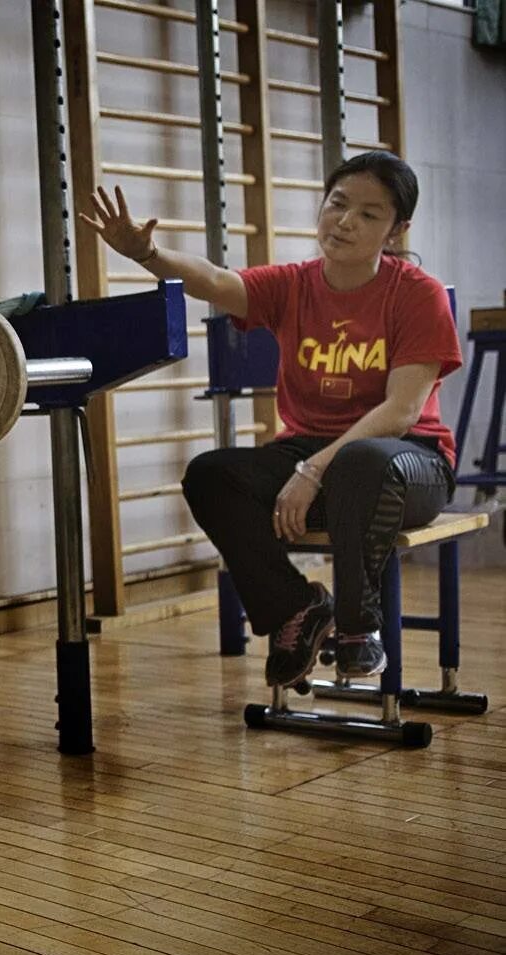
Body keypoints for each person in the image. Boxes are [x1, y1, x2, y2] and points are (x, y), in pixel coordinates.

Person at [80, 151, 461, 689]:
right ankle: (298, 610)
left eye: (370, 215)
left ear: (397, 230)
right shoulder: (293, 284)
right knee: (211, 474)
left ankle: (358, 628)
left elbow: (399, 413)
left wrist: (312, 472)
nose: (346, 221)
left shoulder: (417, 295)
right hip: (319, 456)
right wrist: (147, 252)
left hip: (407, 462)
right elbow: (214, 280)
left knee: (360, 460)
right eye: (338, 204)